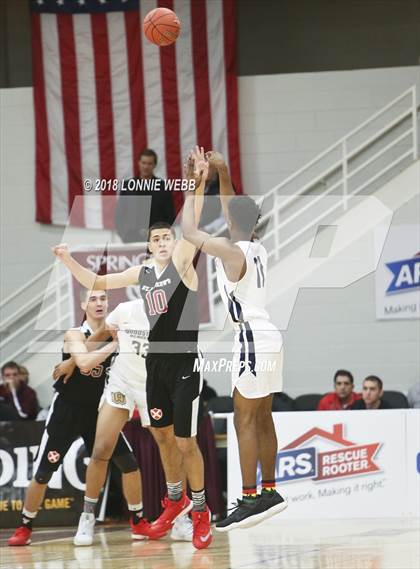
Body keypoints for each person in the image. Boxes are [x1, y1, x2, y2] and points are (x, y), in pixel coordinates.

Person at [51, 148, 212, 550]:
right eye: (155, 238)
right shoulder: (140, 274)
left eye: (166, 237)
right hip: (154, 366)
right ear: (148, 245)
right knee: (160, 434)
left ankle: (200, 510)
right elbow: (97, 281)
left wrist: (197, 182)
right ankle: (174, 503)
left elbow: (190, 223)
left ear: (173, 243)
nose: (161, 242)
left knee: (184, 441)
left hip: (184, 363)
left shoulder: (183, 264)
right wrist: (68, 260)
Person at [182, 151, 287, 532]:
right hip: (269, 335)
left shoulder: (229, 250)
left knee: (244, 418)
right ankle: (270, 489)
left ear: (230, 222)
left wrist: (197, 184)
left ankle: (247, 498)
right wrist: (223, 172)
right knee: (262, 416)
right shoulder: (253, 242)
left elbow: (189, 234)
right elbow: (234, 207)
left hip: (251, 338)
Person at [7, 290, 143, 546]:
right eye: (93, 299)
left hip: (100, 410)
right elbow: (84, 363)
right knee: (43, 472)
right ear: (83, 305)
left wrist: (72, 362)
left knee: (129, 464)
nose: (99, 303)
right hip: (66, 411)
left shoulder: (115, 330)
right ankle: (25, 525)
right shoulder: (74, 334)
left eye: (103, 298)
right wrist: (113, 346)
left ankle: (138, 519)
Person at [115, 148, 176, 243]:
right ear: (139, 163)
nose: (146, 167)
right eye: (143, 163)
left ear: (154, 165)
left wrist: (161, 235)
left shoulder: (163, 187)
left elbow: (170, 216)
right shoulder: (128, 186)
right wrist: (124, 235)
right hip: (131, 240)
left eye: (149, 163)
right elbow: (120, 215)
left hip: (157, 240)